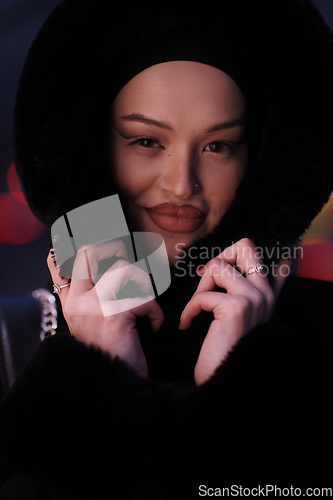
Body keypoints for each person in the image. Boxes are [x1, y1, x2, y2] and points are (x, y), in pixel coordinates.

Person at [1, 0, 333, 498]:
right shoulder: (8, 344)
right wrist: (96, 381)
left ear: (261, 161)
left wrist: (238, 393)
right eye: (145, 141)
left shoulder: (325, 338)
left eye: (218, 146)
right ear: (90, 150)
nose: (182, 186)